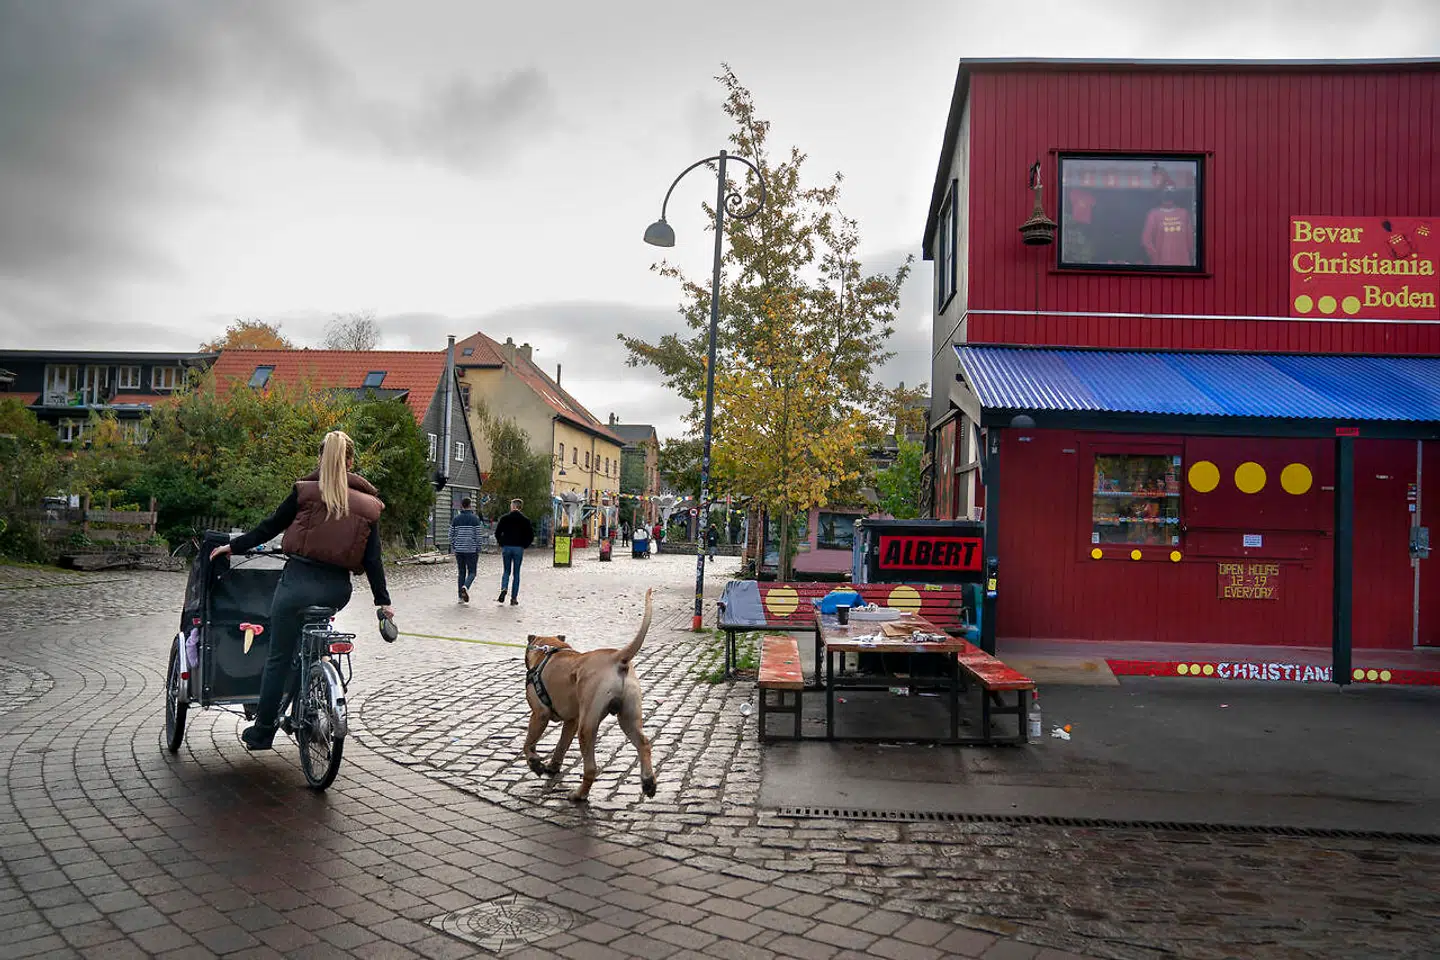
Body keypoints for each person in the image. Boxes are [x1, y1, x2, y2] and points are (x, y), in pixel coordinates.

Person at [209, 431, 394, 751]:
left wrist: (232, 547)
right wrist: (383, 603)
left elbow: (269, 527)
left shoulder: (305, 493)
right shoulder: (368, 506)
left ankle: (263, 730)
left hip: (296, 585)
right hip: (336, 590)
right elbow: (373, 560)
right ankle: (315, 682)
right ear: (351, 462)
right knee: (312, 639)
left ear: (321, 459)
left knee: (279, 657)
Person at [494, 498, 534, 605]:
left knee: (506, 571)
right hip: (518, 548)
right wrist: (524, 545)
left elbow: (497, 532)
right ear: (520, 507)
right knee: (516, 573)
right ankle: (514, 598)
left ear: (513, 506)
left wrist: (501, 542)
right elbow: (530, 535)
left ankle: (504, 588)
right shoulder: (525, 520)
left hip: (506, 547)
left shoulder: (504, 518)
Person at [450, 497, 482, 602]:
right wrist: (478, 547)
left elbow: (450, 535)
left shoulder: (456, 519)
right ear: (470, 505)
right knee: (472, 572)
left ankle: (460, 597)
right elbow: (478, 535)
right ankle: (466, 587)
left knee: (461, 572)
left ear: (462, 506)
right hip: (471, 550)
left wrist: (454, 545)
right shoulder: (475, 519)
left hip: (459, 550)